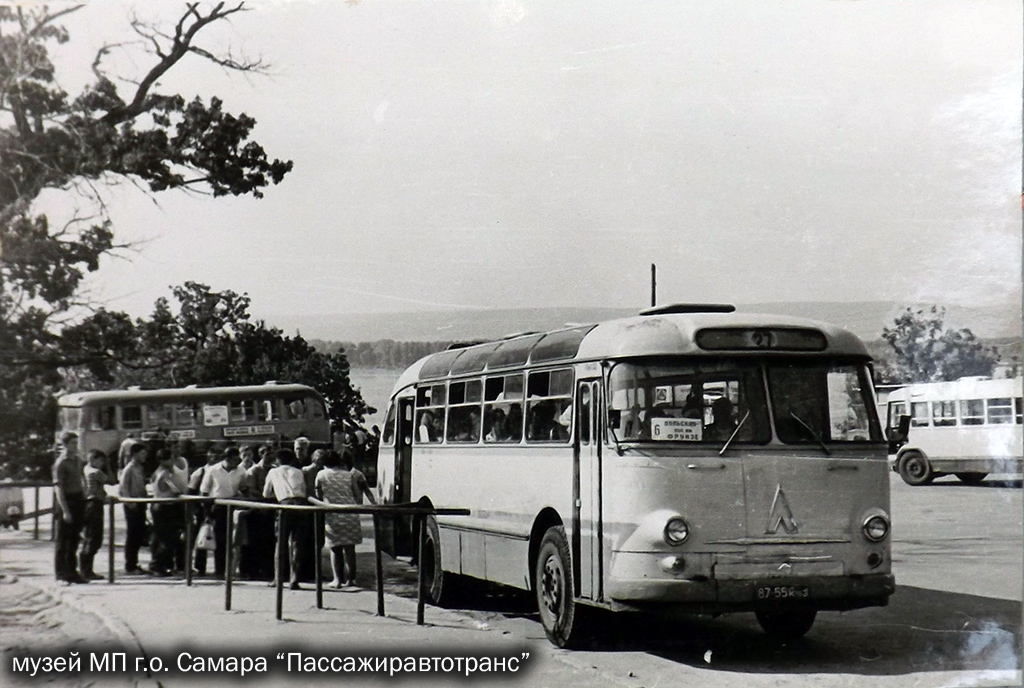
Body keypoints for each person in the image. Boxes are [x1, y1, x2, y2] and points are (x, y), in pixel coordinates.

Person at [311, 449, 375, 590]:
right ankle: (351, 579)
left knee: (335, 549)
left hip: (332, 514)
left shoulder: (320, 475)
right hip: (350, 513)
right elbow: (357, 494)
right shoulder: (349, 475)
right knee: (350, 549)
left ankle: (337, 579)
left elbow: (318, 494)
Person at [262, 449, 308, 590]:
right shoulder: (298, 471)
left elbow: (266, 493)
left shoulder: (273, 472)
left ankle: (278, 578)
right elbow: (304, 490)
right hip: (301, 505)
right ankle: (294, 578)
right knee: (297, 544)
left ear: (278, 461)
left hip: (285, 505)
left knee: (280, 543)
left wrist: (278, 494)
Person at [199, 445, 247, 578]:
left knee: (234, 539)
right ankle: (220, 570)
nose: (236, 462)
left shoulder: (241, 471)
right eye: (234, 459)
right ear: (227, 459)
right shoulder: (213, 470)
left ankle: (232, 569)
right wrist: (207, 513)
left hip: (234, 506)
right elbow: (204, 491)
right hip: (218, 507)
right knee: (220, 541)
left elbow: (243, 488)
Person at [53, 431, 87, 584]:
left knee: (75, 538)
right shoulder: (61, 462)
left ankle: (72, 571)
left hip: (78, 498)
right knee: (63, 539)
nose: (75, 446)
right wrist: (65, 510)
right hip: (67, 500)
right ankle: (61, 574)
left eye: (76, 442)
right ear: (65, 444)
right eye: (72, 443)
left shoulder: (77, 460)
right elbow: (58, 488)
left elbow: (81, 478)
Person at [149, 449, 188, 576]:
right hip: (165, 506)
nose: (172, 462)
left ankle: (160, 564)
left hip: (158, 505)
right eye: (169, 459)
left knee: (161, 537)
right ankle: (157, 565)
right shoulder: (165, 473)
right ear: (162, 460)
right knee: (168, 538)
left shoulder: (156, 472)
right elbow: (175, 489)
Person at [78, 449, 115, 580]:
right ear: (93, 459)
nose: (102, 463)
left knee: (90, 536)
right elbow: (111, 480)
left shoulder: (85, 470)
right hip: (94, 504)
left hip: (89, 504)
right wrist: (108, 466)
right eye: (101, 461)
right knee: (94, 537)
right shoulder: (95, 472)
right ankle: (86, 569)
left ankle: (86, 568)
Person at [188, 447, 221, 576]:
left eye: (218, 454)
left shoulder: (220, 471)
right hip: (201, 510)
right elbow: (191, 490)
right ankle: (200, 567)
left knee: (219, 538)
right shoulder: (200, 472)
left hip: (217, 509)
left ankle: (219, 568)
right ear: (207, 455)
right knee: (201, 538)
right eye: (213, 454)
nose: (216, 457)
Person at [118, 442, 149, 574]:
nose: (144, 456)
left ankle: (134, 563)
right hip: (132, 505)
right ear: (135, 454)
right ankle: (130, 565)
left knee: (139, 535)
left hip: (141, 503)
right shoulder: (129, 469)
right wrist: (131, 504)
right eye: (142, 453)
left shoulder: (140, 468)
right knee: (132, 535)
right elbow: (123, 488)